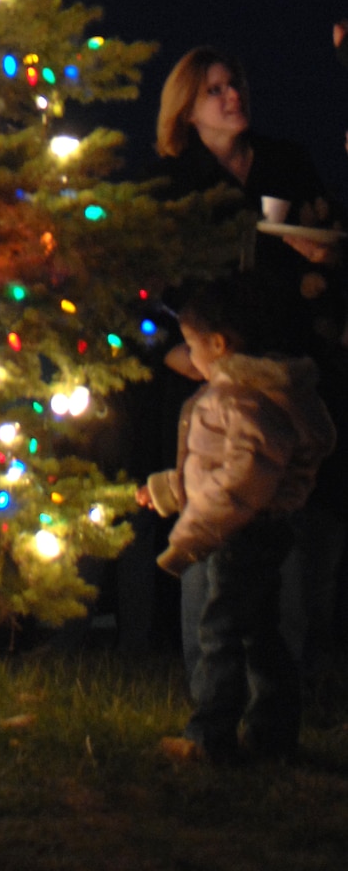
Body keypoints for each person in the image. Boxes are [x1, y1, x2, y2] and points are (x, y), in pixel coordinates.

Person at [153, 46, 347, 676]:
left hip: (290, 366)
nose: (232, 96)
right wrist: (177, 354)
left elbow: (331, 239)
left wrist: (324, 258)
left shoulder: (285, 163)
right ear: (187, 110)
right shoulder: (175, 187)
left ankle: (286, 676)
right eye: (215, 90)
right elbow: (149, 287)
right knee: (214, 507)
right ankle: (208, 680)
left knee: (289, 516)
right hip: (221, 375)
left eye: (234, 84)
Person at [139, 278, 335, 763]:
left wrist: (191, 535)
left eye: (191, 346)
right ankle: (271, 731)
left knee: (220, 632)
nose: (189, 356)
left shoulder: (242, 398)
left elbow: (243, 479)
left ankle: (211, 736)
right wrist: (169, 490)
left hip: (237, 533)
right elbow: (217, 466)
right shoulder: (251, 392)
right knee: (256, 629)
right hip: (251, 526)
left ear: (219, 345)